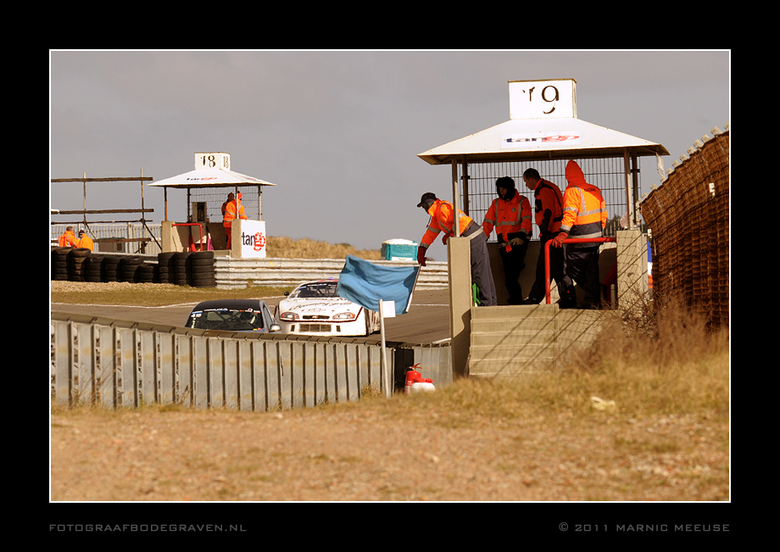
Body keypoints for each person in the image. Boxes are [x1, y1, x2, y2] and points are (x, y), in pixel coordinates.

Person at [417, 192, 497, 306]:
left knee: (479, 274)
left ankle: (487, 305)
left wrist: (450, 233)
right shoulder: (436, 217)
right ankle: (491, 304)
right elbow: (430, 234)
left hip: (473, 238)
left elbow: (459, 222)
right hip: (473, 238)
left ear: (428, 204)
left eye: (423, 206)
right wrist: (422, 250)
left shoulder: (443, 208)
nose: (424, 209)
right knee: (483, 273)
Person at [552, 160, 608, 309]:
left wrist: (562, 234)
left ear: (567, 176)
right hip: (595, 237)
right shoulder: (594, 189)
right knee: (591, 270)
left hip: (578, 239)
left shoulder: (572, 190)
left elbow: (569, 215)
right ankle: (592, 300)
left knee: (573, 269)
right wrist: (599, 231)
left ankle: (597, 292)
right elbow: (604, 214)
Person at [521, 168, 574, 306]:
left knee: (548, 267)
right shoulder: (547, 187)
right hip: (553, 233)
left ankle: (537, 298)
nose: (526, 185)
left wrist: (545, 231)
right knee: (555, 268)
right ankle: (566, 298)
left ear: (532, 179)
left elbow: (548, 212)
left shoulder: (544, 190)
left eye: (526, 181)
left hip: (552, 234)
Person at [481, 177, 531, 304]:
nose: (501, 191)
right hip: (503, 244)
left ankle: (515, 299)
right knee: (509, 274)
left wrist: (521, 236)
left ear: (510, 188)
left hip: (518, 243)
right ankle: (515, 299)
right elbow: (488, 223)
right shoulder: (496, 203)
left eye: (503, 189)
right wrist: (482, 239)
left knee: (511, 276)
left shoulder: (522, 201)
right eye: (499, 189)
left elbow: (526, 220)